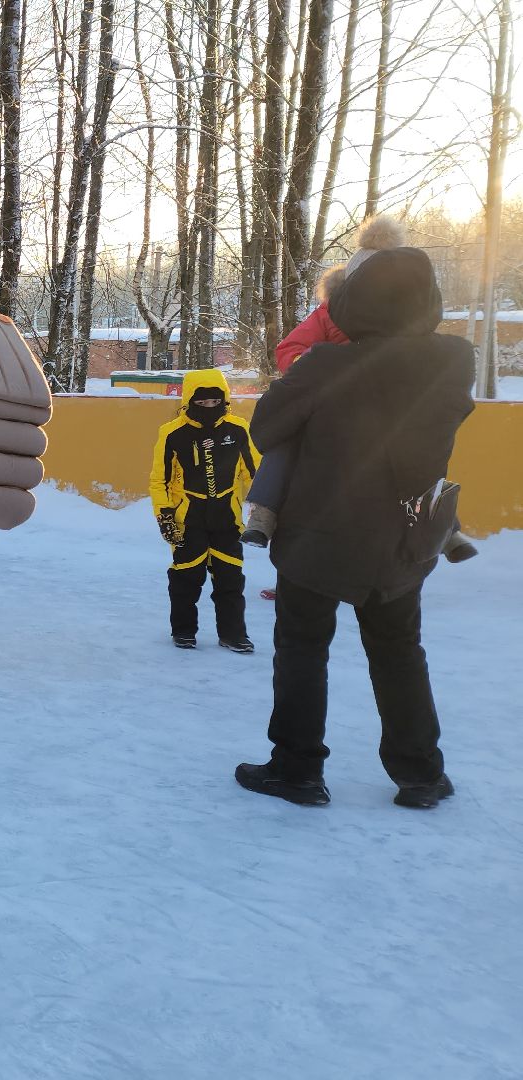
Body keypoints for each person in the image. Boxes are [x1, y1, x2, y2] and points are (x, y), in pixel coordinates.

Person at [235, 247, 475, 810]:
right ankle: (420, 774)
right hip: (404, 540)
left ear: (353, 305)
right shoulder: (453, 363)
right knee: (399, 650)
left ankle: (296, 770)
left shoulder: (325, 365)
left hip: (319, 537)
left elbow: (266, 428)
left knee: (301, 648)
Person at [244, 217, 477, 563]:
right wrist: (318, 366)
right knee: (287, 435)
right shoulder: (327, 316)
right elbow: (288, 351)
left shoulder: (411, 326)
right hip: (329, 398)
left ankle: (444, 526)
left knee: (421, 444)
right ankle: (264, 513)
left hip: (386, 403)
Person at [148, 368, 259, 654]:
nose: (209, 407)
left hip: (228, 519)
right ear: (189, 401)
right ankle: (183, 631)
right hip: (188, 519)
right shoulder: (172, 433)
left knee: (231, 580)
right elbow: (159, 479)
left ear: (224, 399)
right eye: (201, 402)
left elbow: (255, 473)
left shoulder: (238, 429)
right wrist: (165, 515)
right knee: (186, 578)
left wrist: (264, 508)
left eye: (214, 401)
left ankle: (233, 634)